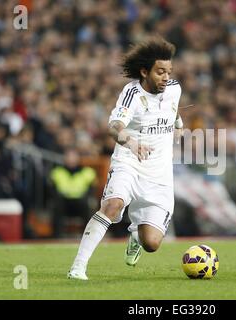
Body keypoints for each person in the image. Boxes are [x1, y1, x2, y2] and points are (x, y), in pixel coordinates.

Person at [68, 37, 184, 280]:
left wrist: (179, 126)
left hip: (160, 175)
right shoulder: (132, 93)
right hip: (129, 163)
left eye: (168, 72)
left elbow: (173, 112)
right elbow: (114, 127)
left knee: (151, 243)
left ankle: (135, 235)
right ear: (144, 71)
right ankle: (78, 267)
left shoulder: (174, 89)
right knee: (112, 206)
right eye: (160, 72)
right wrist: (131, 142)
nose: (166, 77)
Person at [50, 148, 96, 238]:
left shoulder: (87, 172)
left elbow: (91, 190)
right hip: (63, 202)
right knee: (57, 204)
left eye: (73, 156)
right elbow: (52, 190)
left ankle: (87, 236)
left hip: (80, 202)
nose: (71, 159)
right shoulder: (57, 172)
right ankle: (56, 236)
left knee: (86, 204)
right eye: (68, 156)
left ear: (78, 158)